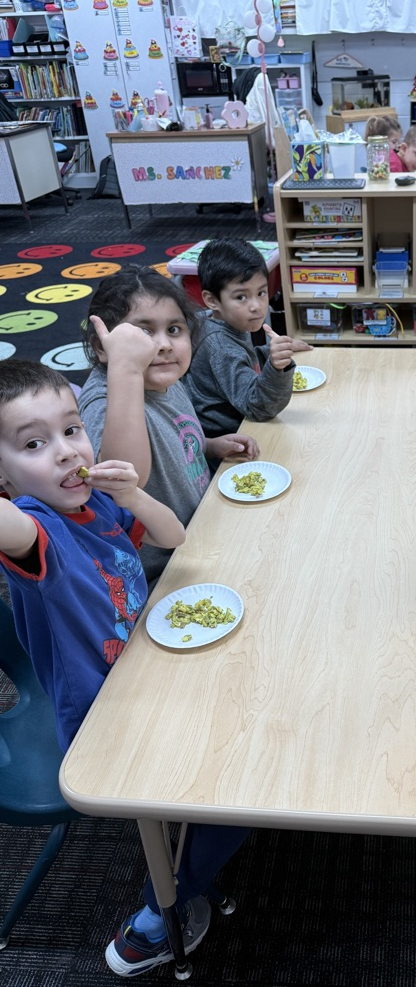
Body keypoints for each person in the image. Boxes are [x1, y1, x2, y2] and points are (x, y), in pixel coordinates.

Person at [0, 360, 237, 977]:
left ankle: (187, 842)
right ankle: (164, 910)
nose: (64, 453)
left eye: (72, 430)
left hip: (144, 671)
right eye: (32, 443)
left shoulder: (95, 506)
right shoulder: (35, 530)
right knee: (234, 789)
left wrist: (130, 493)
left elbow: (174, 535)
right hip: (104, 717)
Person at [78, 265, 260, 583]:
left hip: (201, 529)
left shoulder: (166, 379)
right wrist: (127, 367)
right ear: (100, 346)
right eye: (143, 332)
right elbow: (126, 475)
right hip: (161, 574)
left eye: (174, 330)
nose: (162, 344)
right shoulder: (105, 400)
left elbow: (171, 439)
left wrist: (209, 446)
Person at [182, 238, 313, 438]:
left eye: (261, 292)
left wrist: (271, 352)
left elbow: (243, 360)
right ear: (212, 300)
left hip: (240, 424)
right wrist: (277, 367)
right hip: (231, 437)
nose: (256, 306)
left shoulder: (225, 323)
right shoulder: (219, 345)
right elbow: (258, 408)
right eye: (241, 297)